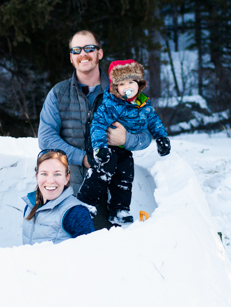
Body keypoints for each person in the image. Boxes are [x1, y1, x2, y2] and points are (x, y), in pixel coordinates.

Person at [38, 30, 153, 228]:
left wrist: (125, 139)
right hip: (66, 191)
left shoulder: (124, 92)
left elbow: (147, 135)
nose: (83, 54)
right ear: (71, 58)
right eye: (77, 50)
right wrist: (82, 158)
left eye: (89, 48)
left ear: (99, 53)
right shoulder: (58, 93)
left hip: (107, 194)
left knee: (104, 253)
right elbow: (46, 138)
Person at [77, 59, 171, 225]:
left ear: (139, 83)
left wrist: (162, 138)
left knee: (125, 176)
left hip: (124, 150)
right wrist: (100, 148)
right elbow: (97, 125)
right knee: (103, 169)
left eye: (131, 82)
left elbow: (153, 121)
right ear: (115, 88)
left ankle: (119, 210)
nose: (127, 87)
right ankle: (85, 202)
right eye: (122, 84)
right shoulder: (111, 104)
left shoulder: (143, 103)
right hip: (106, 147)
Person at [22, 150, 94, 244]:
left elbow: (89, 252)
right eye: (44, 173)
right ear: (37, 176)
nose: (50, 180)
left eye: (57, 174)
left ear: (66, 178)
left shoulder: (75, 212)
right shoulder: (30, 205)